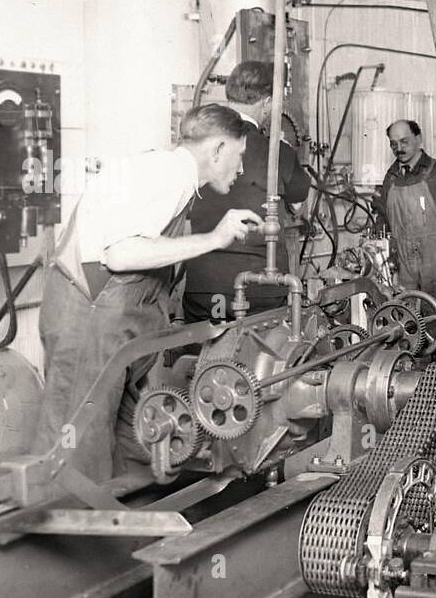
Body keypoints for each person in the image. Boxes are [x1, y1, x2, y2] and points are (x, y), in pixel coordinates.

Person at [33, 105, 264, 483]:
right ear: (218, 148)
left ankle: (125, 523)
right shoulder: (166, 175)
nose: (240, 169)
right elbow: (120, 254)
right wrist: (213, 239)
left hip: (117, 325)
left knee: (134, 438)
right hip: (90, 319)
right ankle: (62, 531)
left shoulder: (174, 178)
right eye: (238, 156)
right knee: (74, 444)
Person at [183, 61, 310, 322]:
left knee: (204, 357)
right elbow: (300, 191)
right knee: (255, 358)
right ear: (266, 102)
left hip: (205, 286)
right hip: (259, 289)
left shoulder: (196, 147)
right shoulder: (277, 151)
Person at [378, 119, 436, 308]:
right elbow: (382, 216)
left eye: (404, 141)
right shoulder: (391, 177)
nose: (399, 148)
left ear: (418, 139)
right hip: (403, 264)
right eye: (393, 143)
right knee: (405, 320)